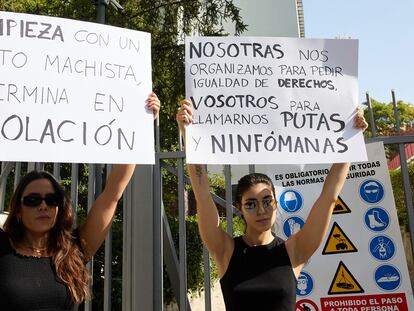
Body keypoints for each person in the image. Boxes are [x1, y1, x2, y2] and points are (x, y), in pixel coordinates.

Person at [176, 99, 368, 311]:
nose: (261, 210)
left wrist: (351, 138)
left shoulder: (294, 250)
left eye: (267, 202)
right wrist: (188, 134)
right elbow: (202, 195)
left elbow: (329, 197)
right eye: (251, 204)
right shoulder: (226, 251)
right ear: (239, 208)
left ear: (276, 204)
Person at [0, 93, 160, 310]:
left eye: (52, 199)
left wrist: (140, 126)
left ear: (60, 207)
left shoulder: (73, 250)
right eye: (33, 200)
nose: (43, 205)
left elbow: (113, 193)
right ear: (18, 210)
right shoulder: (3, 247)